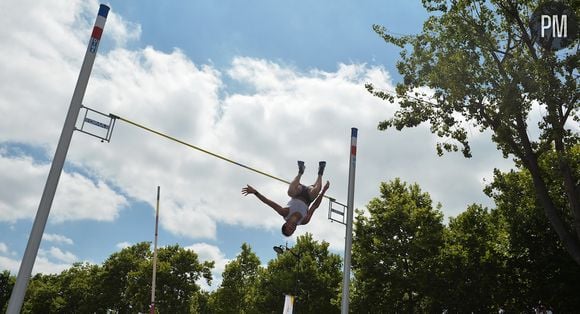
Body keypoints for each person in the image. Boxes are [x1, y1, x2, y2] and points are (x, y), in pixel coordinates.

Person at [242, 160, 329, 236]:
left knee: (290, 192)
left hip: (298, 191)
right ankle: (320, 172)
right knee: (317, 191)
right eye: (293, 231)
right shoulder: (304, 221)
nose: (293, 228)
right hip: (309, 196)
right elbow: (314, 206)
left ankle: (300, 172)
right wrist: (323, 191)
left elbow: (268, 202)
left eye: (290, 229)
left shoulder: (285, 212)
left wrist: (255, 192)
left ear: (286, 224)